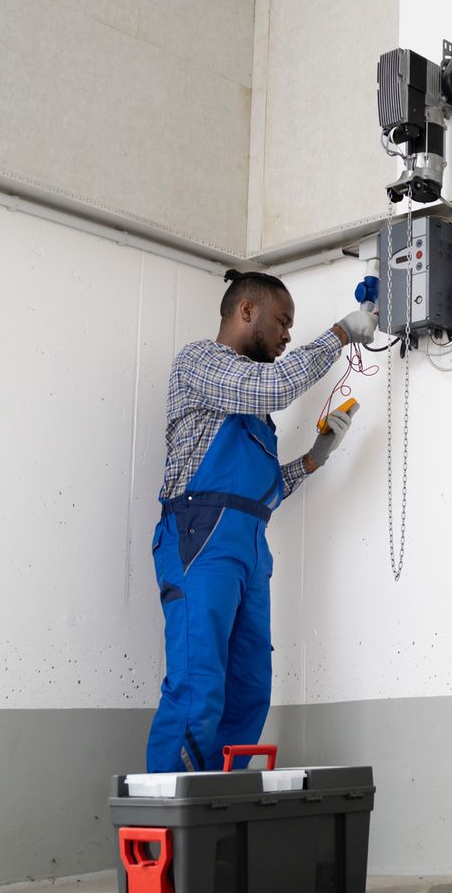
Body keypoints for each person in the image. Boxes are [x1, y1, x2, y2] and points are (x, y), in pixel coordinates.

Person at [145, 268, 375, 773]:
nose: (288, 334)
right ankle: (167, 830)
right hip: (199, 541)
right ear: (246, 311)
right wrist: (338, 334)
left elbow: (259, 496)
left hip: (248, 544)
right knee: (197, 685)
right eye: (282, 321)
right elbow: (273, 387)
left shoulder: (251, 413)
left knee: (250, 690)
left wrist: (315, 458)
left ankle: (218, 818)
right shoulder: (200, 363)